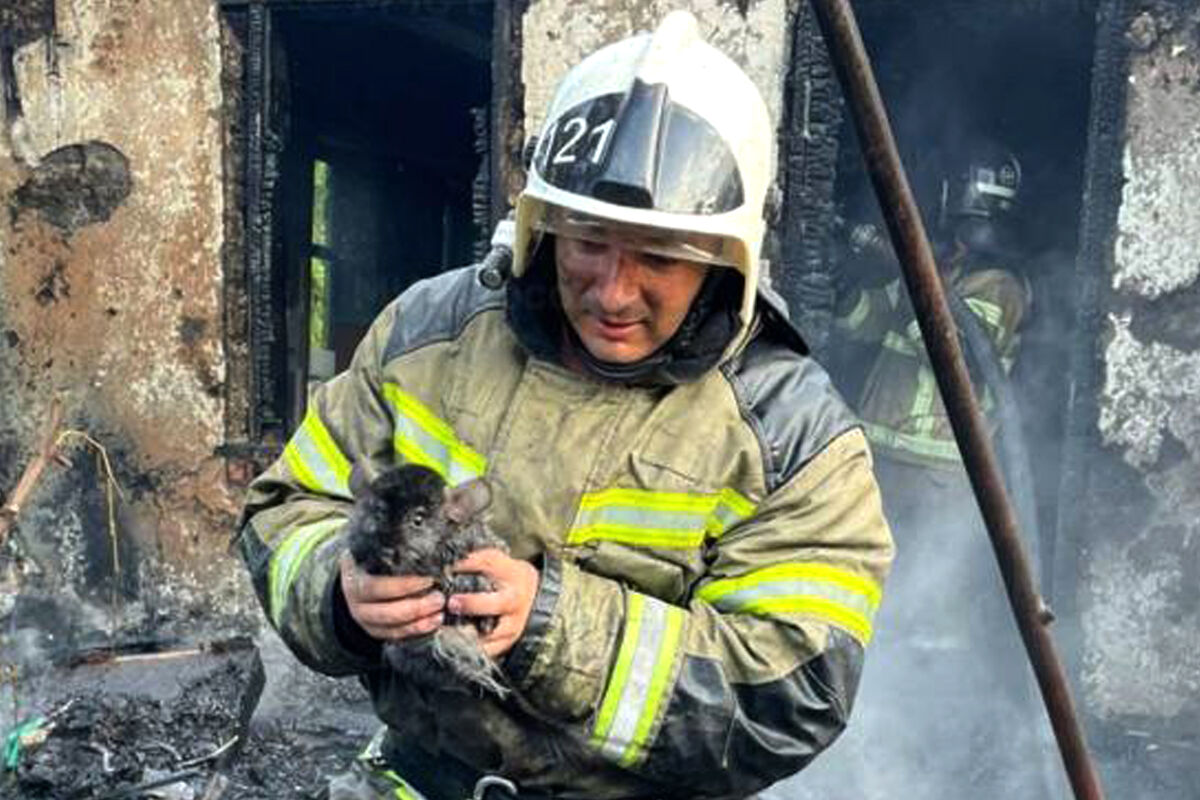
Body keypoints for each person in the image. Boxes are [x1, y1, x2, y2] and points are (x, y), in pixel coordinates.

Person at [237, 12, 893, 800]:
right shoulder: (429, 335)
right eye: (587, 241)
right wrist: (338, 597)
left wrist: (549, 630)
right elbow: (284, 506)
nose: (613, 291)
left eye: (658, 257)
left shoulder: (793, 437)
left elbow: (794, 697)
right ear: (541, 227)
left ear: (727, 260)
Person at [809, 142, 1060, 798]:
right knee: (863, 588)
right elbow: (864, 320)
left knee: (929, 599)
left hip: (945, 475)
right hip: (881, 458)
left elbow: (948, 345)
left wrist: (907, 268)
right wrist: (845, 281)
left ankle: (938, 722)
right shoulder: (942, 267)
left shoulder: (1001, 282)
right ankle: (857, 703)